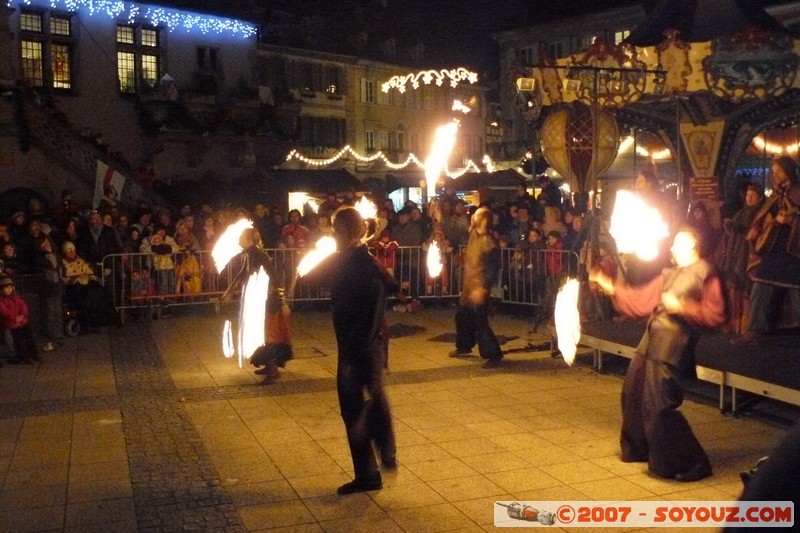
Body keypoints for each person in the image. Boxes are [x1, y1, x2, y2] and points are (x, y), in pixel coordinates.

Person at [590, 226, 726, 482]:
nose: (672, 248)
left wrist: (684, 307)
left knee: (659, 405)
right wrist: (610, 286)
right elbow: (643, 299)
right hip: (651, 340)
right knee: (632, 392)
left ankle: (692, 462)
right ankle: (640, 448)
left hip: (674, 345)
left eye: (678, 243)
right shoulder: (670, 273)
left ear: (693, 246)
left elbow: (714, 314)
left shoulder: (706, 273)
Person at [327, 206, 397, 494]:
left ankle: (382, 456)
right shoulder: (349, 260)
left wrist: (355, 352)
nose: (332, 234)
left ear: (348, 232)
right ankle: (371, 469)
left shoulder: (363, 264)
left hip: (361, 345)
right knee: (359, 405)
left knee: (360, 406)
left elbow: (370, 309)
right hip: (357, 344)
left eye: (336, 229)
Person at [736, 156, 800, 344]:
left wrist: (792, 221)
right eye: (773, 171)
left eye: (778, 171)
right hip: (774, 251)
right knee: (760, 286)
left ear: (788, 171)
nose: (775, 175)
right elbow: (763, 219)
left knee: (797, 291)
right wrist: (765, 224)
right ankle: (754, 330)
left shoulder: (798, 192)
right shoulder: (775, 195)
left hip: (794, 253)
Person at [224, 227, 292, 380]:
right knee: (262, 334)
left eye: (242, 236)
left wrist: (283, 302)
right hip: (260, 301)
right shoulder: (249, 255)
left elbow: (275, 278)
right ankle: (269, 366)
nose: (239, 238)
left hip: (270, 302)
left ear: (249, 240)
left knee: (269, 336)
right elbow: (242, 272)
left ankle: (273, 370)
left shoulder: (260, 256)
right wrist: (230, 290)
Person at [450, 206, 504, 369]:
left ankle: (493, 355)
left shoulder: (488, 241)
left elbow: (493, 267)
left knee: (481, 322)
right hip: (469, 285)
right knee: (462, 316)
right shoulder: (473, 234)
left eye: (477, 215)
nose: (473, 216)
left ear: (484, 220)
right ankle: (464, 345)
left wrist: (484, 287)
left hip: (480, 286)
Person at [0, 276, 40, 364]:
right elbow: (5, 312)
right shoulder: (2, 301)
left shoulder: (16, 297)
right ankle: (24, 356)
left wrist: (22, 315)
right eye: (6, 288)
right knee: (19, 339)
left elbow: (23, 305)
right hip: (12, 323)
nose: (9, 290)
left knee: (30, 335)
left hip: (22, 320)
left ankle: (34, 353)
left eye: (10, 287)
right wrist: (15, 318)